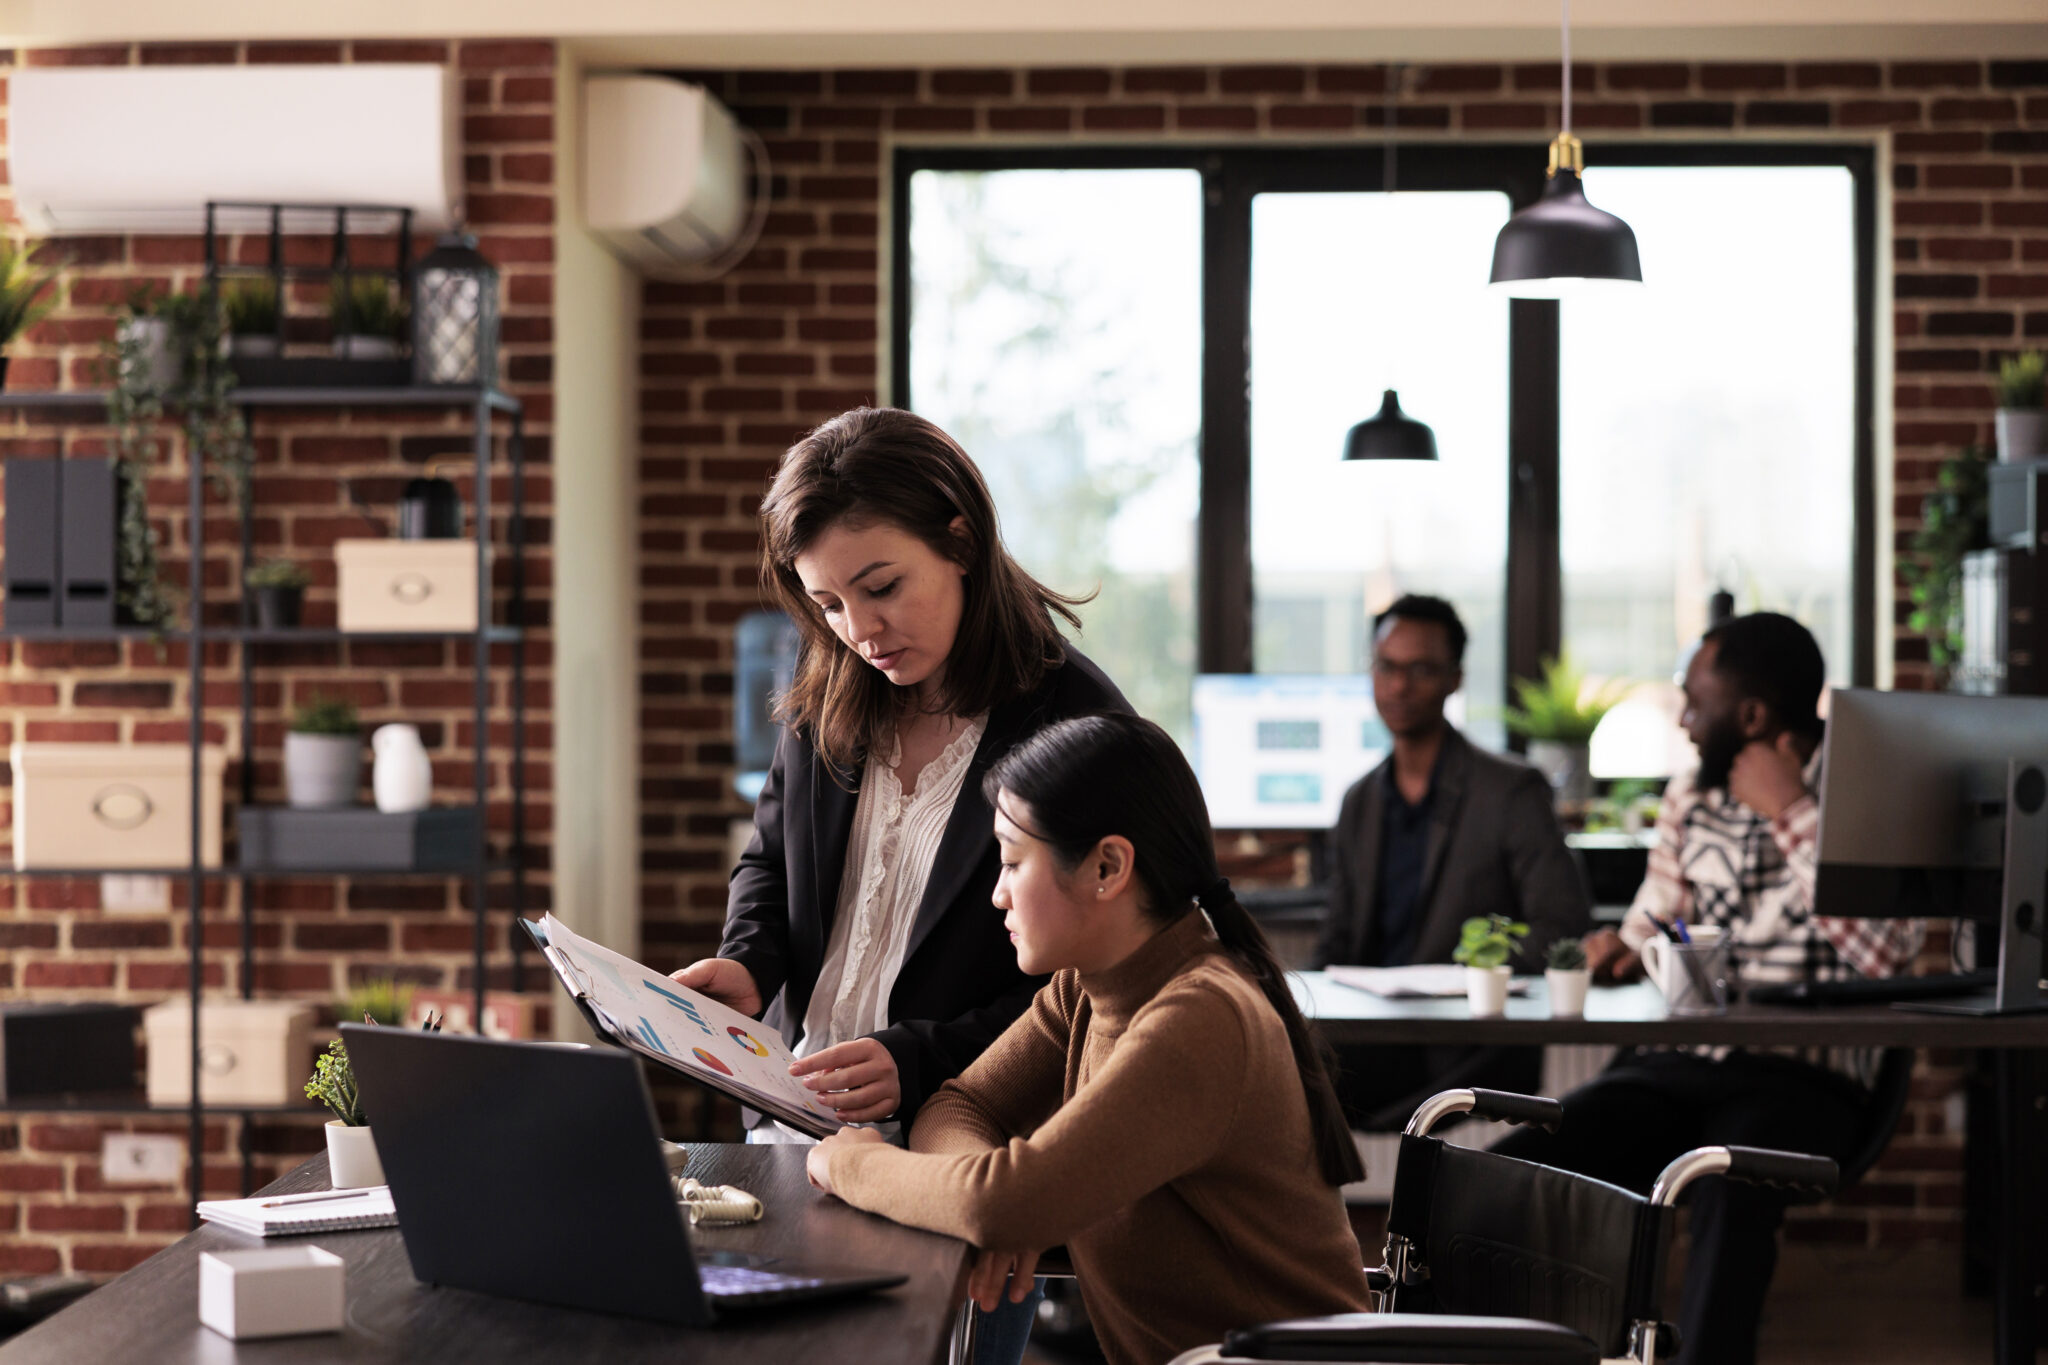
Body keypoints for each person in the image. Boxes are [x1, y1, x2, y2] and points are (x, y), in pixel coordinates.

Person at [670, 407, 1131, 1358]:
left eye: (881, 588)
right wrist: (748, 962)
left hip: (958, 1156)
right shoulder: (832, 682)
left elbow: (1102, 983)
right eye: (829, 604)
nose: (858, 630)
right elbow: (769, 855)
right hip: (794, 1140)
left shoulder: (1075, 721)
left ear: (960, 538)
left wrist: (922, 1054)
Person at [805, 713, 1373, 1365]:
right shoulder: (1089, 985)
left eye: (1014, 861)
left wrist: (852, 1161)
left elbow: (1004, 1201)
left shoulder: (1199, 1017)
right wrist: (996, 1206)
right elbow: (962, 1106)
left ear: (1107, 866)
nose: (997, 894)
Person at [1494, 612, 1924, 1365]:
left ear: (1752, 715)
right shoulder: (1692, 795)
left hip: (1805, 1075)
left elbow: (1888, 957)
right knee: (1515, 1169)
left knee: (1731, 1186)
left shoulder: (1863, 789)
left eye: (1695, 699)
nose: (1685, 719)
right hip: (1679, 1060)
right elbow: (1654, 922)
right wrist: (1621, 946)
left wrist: (1791, 813)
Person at [1314, 595, 1590, 1129]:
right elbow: (1336, 946)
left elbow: (1563, 930)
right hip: (1373, 1038)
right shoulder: (1360, 803)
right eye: (1386, 667)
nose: (1398, 686)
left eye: (1420, 670)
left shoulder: (1511, 791)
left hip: (1469, 1045)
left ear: (1455, 678)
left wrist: (1459, 973)